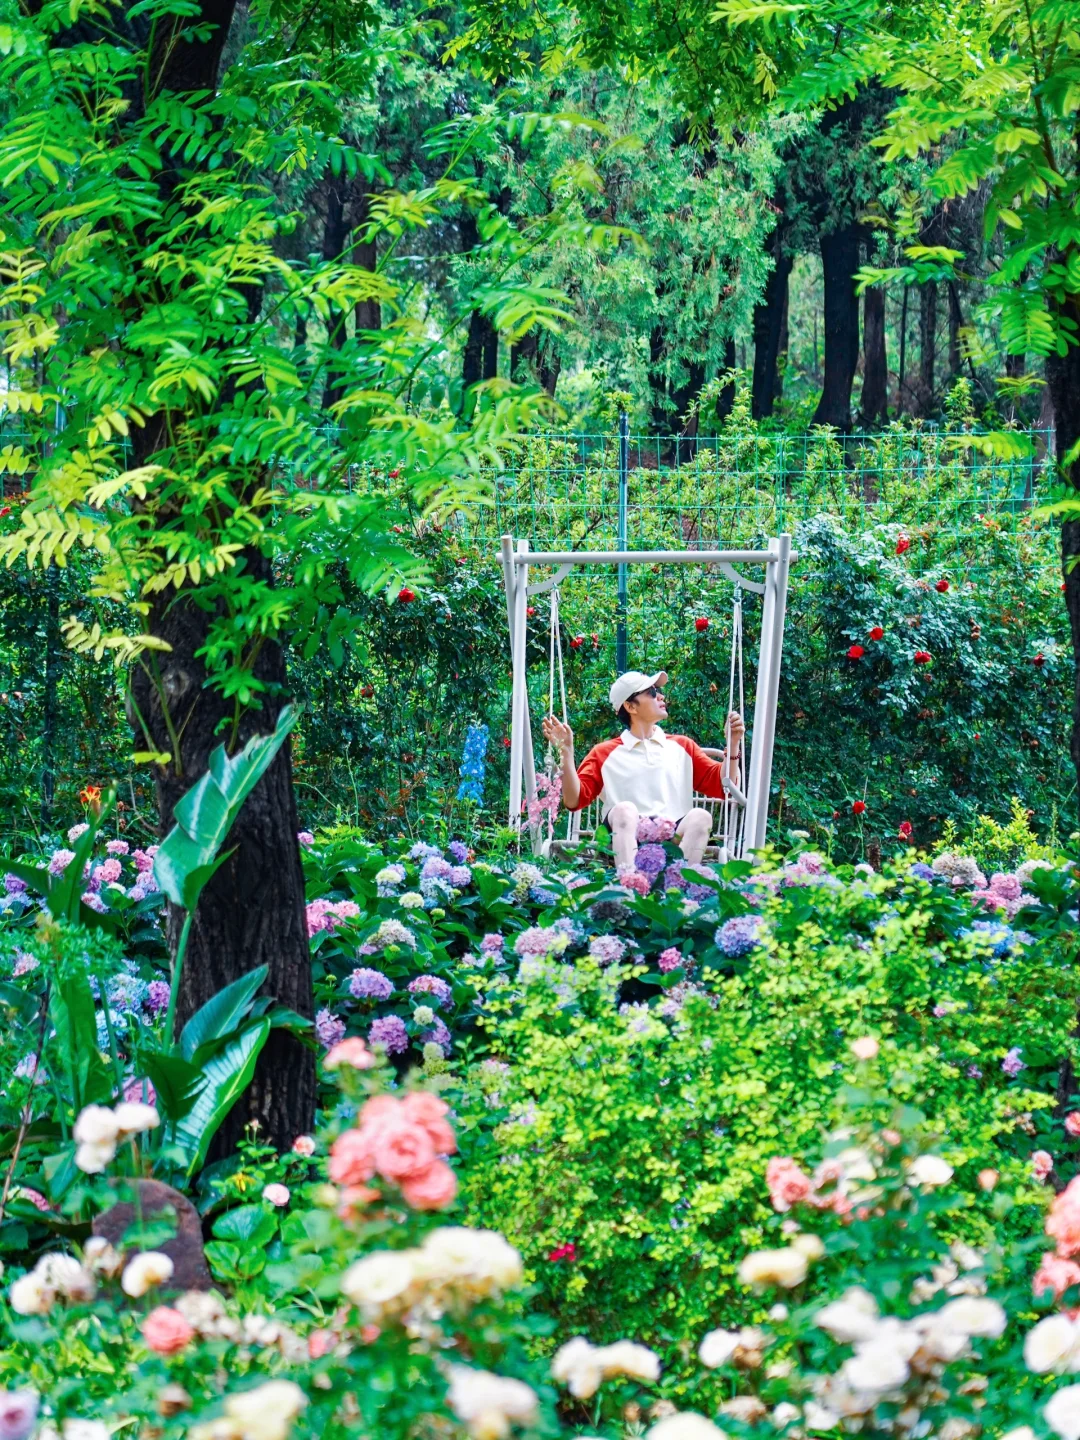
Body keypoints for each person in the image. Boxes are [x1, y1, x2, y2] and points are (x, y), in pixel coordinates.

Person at [541, 669, 745, 876]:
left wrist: (734, 743)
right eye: (652, 692)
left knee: (701, 816)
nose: (661, 696)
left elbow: (724, 786)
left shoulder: (682, 746)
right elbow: (574, 800)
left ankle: (676, 886)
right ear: (630, 706)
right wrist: (566, 752)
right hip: (620, 841)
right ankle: (630, 886)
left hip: (673, 840)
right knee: (624, 810)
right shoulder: (604, 753)